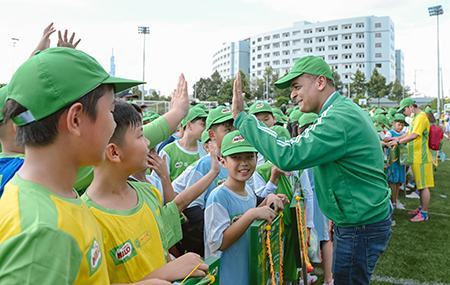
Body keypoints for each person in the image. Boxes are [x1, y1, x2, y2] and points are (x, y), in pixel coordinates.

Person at [232, 55, 392, 285]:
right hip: (361, 219)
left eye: (297, 86)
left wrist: (242, 119)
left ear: (319, 83)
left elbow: (288, 155)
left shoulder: (337, 118)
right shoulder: (340, 111)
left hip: (360, 224)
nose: (292, 94)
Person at [0, 47, 144, 283]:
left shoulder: (53, 199)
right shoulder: (42, 234)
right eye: (110, 111)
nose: (112, 125)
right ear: (76, 119)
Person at [82, 100, 211, 284]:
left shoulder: (149, 193)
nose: (148, 142)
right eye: (141, 135)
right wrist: (164, 273)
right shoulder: (88, 219)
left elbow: (162, 251)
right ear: (115, 153)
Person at [204, 130, 286, 285]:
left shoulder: (248, 189)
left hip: (248, 270)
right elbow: (218, 243)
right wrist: (251, 214)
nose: (244, 163)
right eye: (236, 157)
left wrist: (269, 199)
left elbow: (250, 213)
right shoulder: (218, 197)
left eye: (249, 156)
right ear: (223, 161)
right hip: (227, 276)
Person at [389, 98, 434, 222]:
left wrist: (397, 141)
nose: (404, 113)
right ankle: (421, 208)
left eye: (404, 110)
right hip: (416, 157)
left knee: (424, 186)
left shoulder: (421, 117)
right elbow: (408, 134)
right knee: (420, 185)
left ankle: (424, 213)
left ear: (410, 106)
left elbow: (414, 135)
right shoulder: (416, 118)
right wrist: (394, 138)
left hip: (422, 158)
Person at [160, 106, 207, 181]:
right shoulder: (168, 151)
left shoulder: (205, 150)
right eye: (203, 124)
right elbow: (159, 182)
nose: (206, 129)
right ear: (189, 125)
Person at [385, 113, 408, 211]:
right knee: (392, 181)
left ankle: (395, 199)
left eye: (402, 125)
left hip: (401, 161)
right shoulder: (390, 132)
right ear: (394, 123)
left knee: (398, 182)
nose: (401, 126)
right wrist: (395, 139)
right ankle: (392, 200)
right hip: (393, 161)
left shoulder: (404, 134)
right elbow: (385, 139)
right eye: (399, 124)